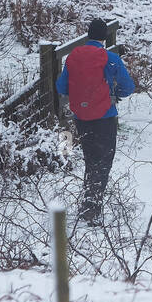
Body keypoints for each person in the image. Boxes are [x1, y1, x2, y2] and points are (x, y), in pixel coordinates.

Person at [56, 19, 136, 224]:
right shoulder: (110, 58)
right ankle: (92, 207)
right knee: (104, 162)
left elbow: (61, 87)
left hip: (81, 118)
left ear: (88, 35)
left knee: (91, 160)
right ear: (104, 38)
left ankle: (89, 202)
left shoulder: (73, 57)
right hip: (105, 116)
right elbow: (128, 87)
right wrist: (113, 93)